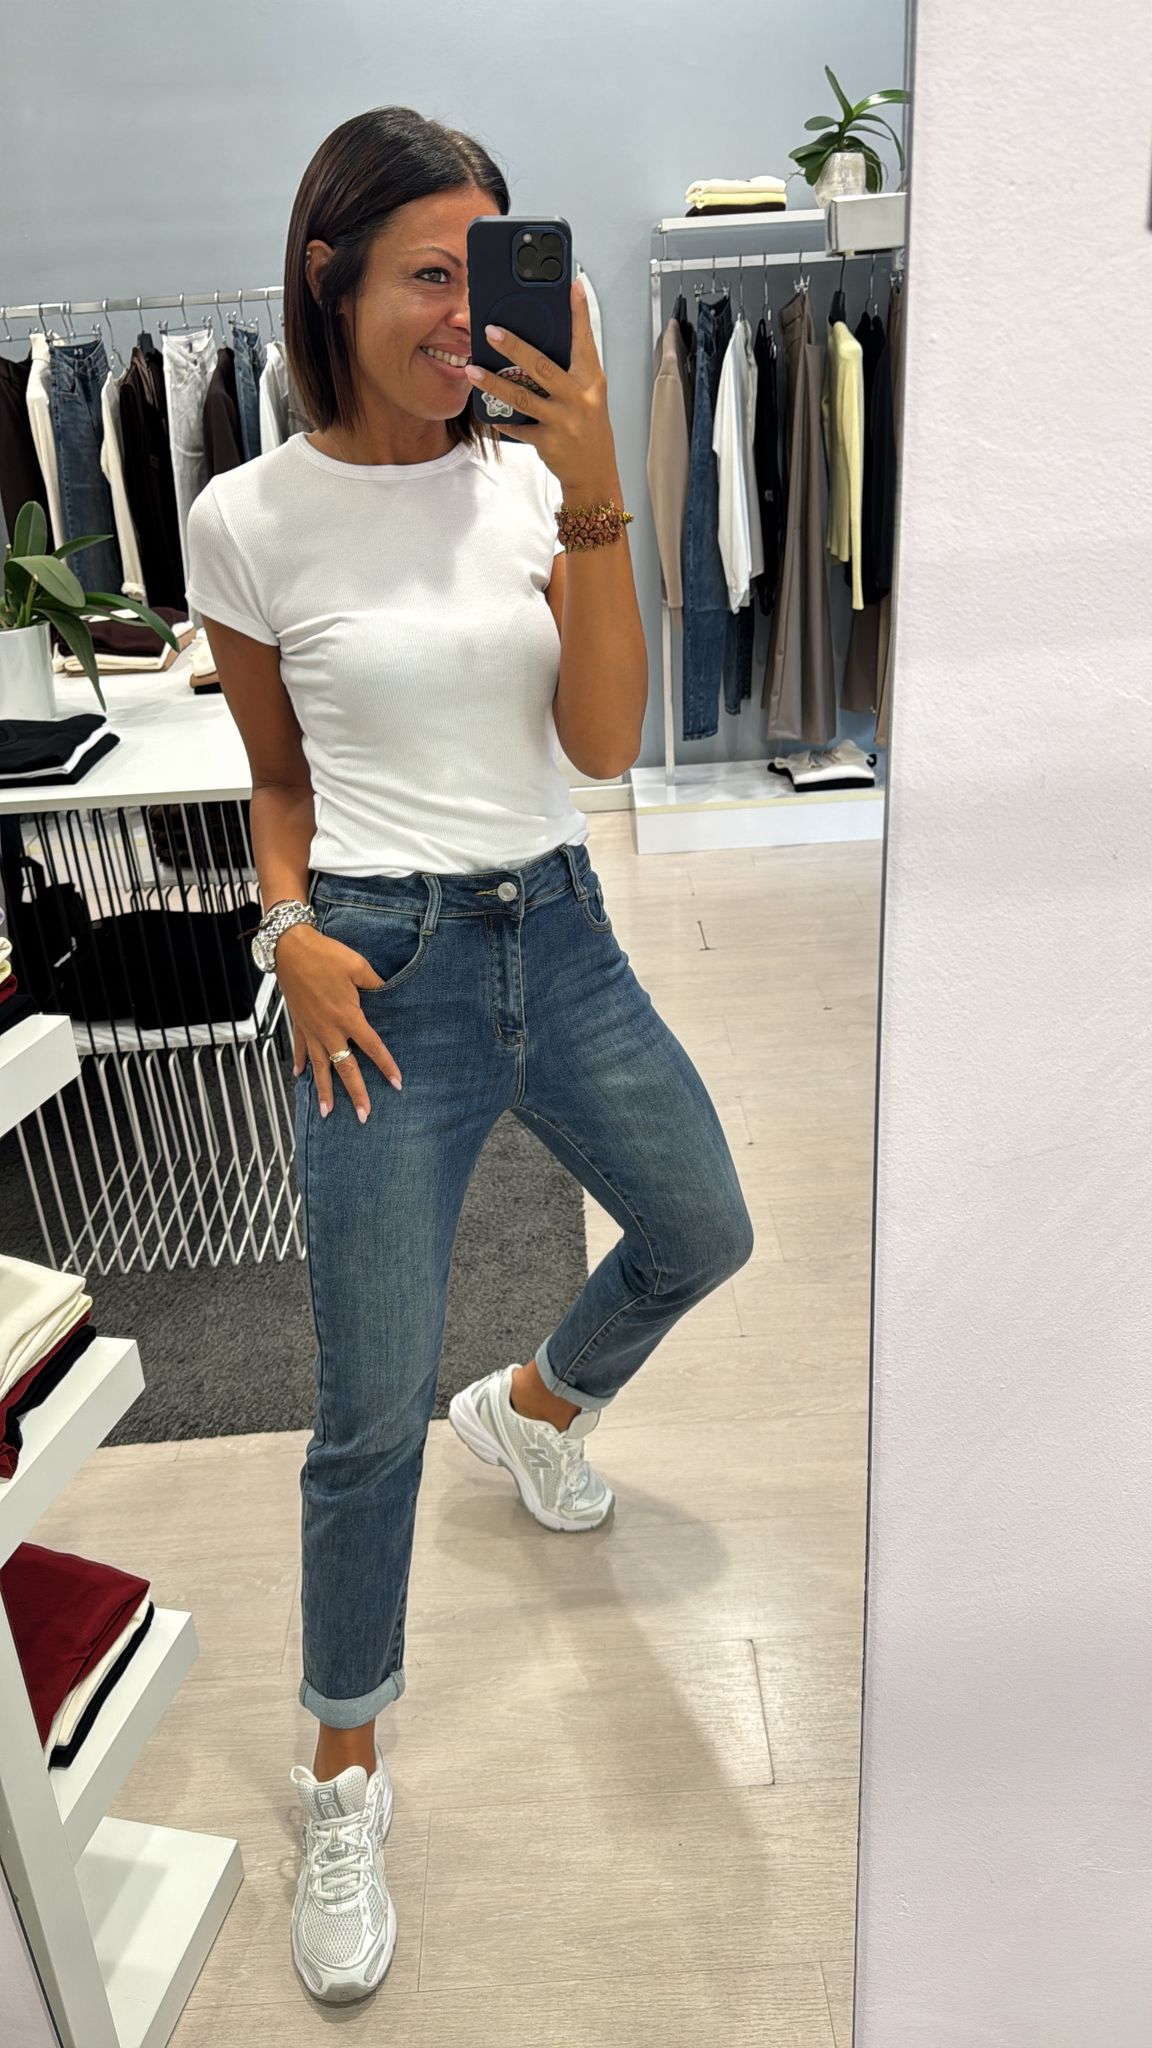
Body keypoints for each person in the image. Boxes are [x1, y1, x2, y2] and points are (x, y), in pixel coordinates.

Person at [185, 103, 755, 2008]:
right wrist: (286, 934)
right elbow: (276, 779)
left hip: (560, 936)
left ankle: (535, 1404)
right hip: (381, 972)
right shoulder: (247, 517)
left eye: (486, 270)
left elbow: (600, 746)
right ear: (331, 277)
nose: (463, 314)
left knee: (704, 1226)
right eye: (428, 272)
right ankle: (345, 1769)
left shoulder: (531, 483)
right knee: (363, 1410)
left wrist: (592, 487)